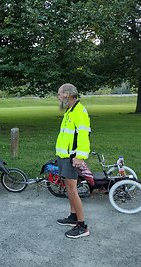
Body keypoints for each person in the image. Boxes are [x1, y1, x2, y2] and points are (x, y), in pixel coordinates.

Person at [55, 83, 91, 239]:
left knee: (72, 189)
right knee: (69, 188)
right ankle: (73, 216)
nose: (58, 97)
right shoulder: (70, 111)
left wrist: (80, 157)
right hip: (64, 156)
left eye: (59, 94)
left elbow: (83, 136)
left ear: (67, 94)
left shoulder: (80, 112)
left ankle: (82, 226)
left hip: (72, 158)